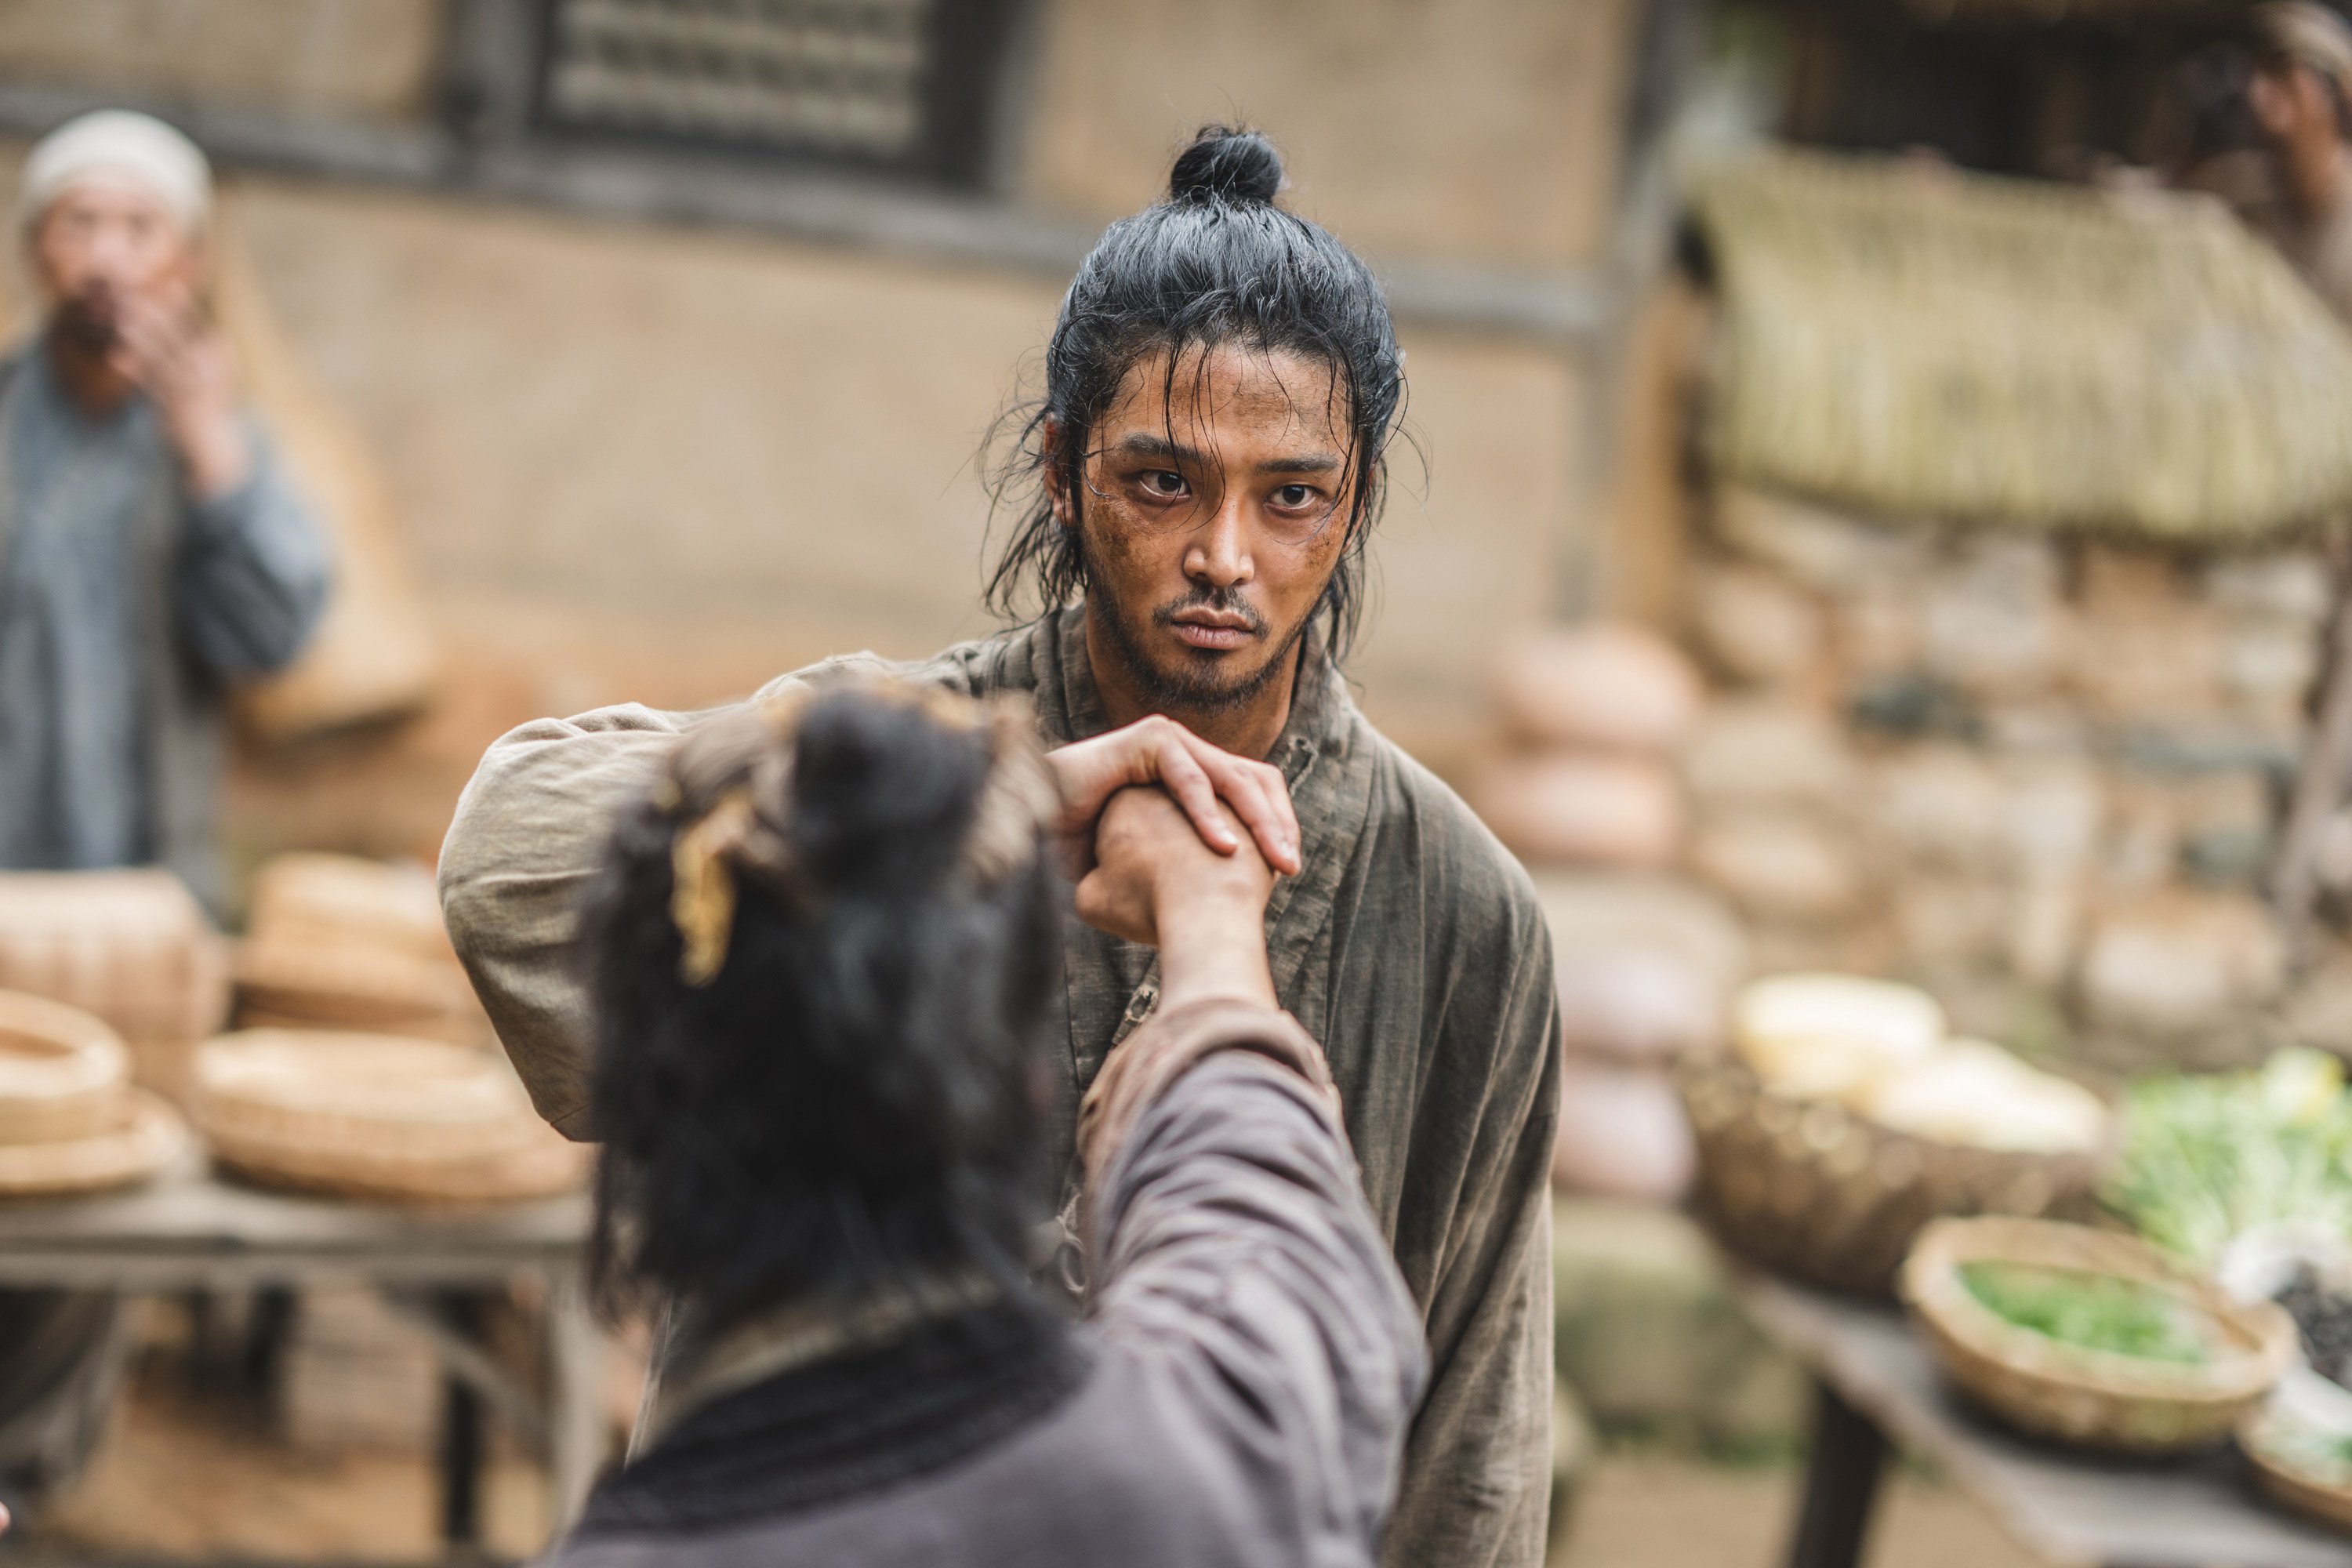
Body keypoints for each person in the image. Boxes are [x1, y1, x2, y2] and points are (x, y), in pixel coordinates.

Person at [441, 125, 1560, 1566]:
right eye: (1165, 481)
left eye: (1291, 496)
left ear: (1349, 509)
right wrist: (1000, 803)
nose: (1226, 552)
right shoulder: (901, 759)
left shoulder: (1460, 909)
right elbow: (505, 866)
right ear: (1060, 468)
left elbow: (1475, 1445)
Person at [545, 684, 1425, 1565]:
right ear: (1026, 1081)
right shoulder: (1219, 1447)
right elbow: (1263, 1220)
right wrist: (1210, 921)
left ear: (630, 1101)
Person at [0, 111, 329, 1520]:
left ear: (188, 262)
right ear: (36, 252)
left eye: (139, 230)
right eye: (81, 225)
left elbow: (278, 632)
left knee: (101, 1202)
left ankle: (20, 1469)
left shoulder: (213, 443)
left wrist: (214, 457)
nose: (108, 259)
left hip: (140, 910)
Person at [2242, 2, 2352, 322]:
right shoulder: (2247, 205)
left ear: (2333, 95)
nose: (2261, 102)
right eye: (2255, 77)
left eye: (2286, 80)